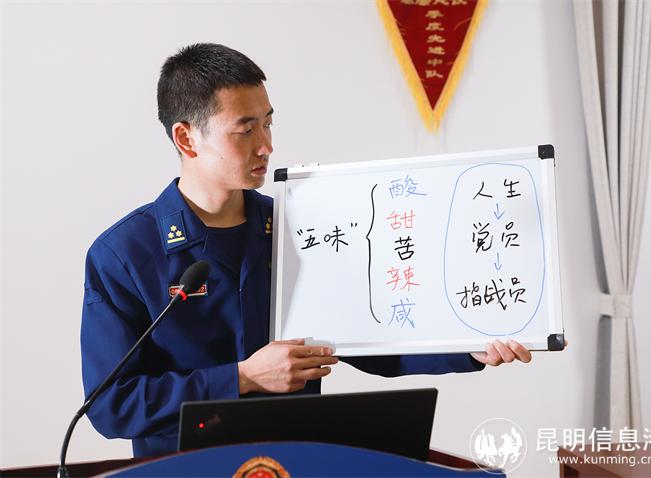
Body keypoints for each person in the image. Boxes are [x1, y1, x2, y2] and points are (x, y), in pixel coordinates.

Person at [81, 43, 532, 458]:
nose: (266, 146)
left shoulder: (300, 228)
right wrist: (242, 377)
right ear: (186, 138)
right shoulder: (124, 254)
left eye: (268, 123)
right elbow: (112, 405)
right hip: (185, 468)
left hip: (298, 460)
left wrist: (467, 348)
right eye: (245, 130)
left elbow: (371, 338)